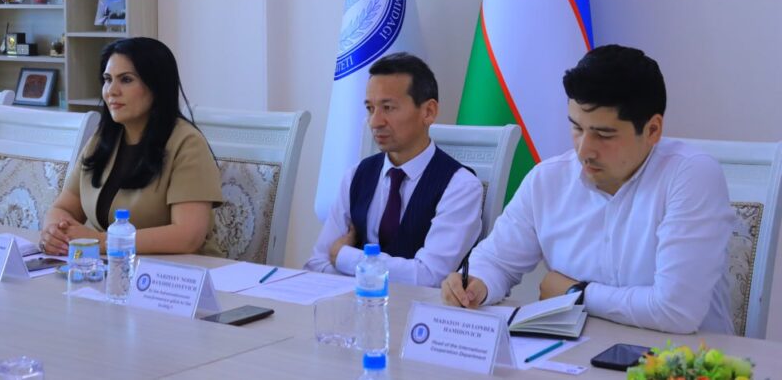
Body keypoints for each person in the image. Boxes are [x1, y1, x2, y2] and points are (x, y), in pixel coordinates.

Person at [442, 44, 735, 334]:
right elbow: (497, 261)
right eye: (577, 128)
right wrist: (476, 284)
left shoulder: (691, 175)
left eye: (603, 135)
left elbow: (675, 311)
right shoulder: (547, 180)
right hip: (572, 353)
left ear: (652, 130)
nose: (584, 150)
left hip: (683, 357)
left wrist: (576, 293)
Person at [305, 52, 483, 286]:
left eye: (388, 108)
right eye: (370, 108)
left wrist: (345, 257)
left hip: (420, 310)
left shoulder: (460, 186)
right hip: (357, 304)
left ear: (428, 112)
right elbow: (317, 264)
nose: (374, 122)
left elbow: (430, 277)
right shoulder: (356, 176)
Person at [40, 37, 223, 256]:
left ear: (157, 85)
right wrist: (55, 234)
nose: (111, 91)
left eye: (126, 80)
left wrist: (102, 242)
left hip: (181, 271)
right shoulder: (102, 139)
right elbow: (63, 208)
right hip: (113, 266)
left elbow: (188, 236)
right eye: (107, 79)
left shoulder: (187, 143)